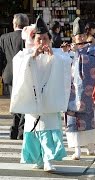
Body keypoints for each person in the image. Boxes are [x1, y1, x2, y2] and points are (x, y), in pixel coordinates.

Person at [11, 16, 71, 172]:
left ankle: (48, 159)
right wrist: (32, 57)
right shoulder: (25, 54)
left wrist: (54, 58)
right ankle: (37, 159)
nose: (43, 42)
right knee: (33, 130)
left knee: (49, 130)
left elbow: (66, 65)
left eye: (45, 38)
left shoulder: (57, 54)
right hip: (33, 99)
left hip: (50, 100)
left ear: (50, 39)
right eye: (39, 39)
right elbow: (18, 68)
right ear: (34, 40)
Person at [64, 17, 95, 160]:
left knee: (90, 118)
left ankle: (91, 145)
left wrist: (77, 53)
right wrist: (66, 53)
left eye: (82, 35)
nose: (80, 38)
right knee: (73, 121)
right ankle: (77, 149)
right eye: (77, 36)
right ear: (74, 37)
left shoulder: (92, 48)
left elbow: (92, 63)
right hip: (72, 91)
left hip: (87, 90)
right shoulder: (69, 49)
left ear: (86, 36)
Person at [0, 13, 29, 140]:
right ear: (26, 24)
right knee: (24, 102)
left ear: (14, 24)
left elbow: (1, 58)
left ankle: (14, 130)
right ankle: (20, 131)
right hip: (24, 73)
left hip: (9, 73)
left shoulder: (4, 37)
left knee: (15, 101)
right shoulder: (27, 37)